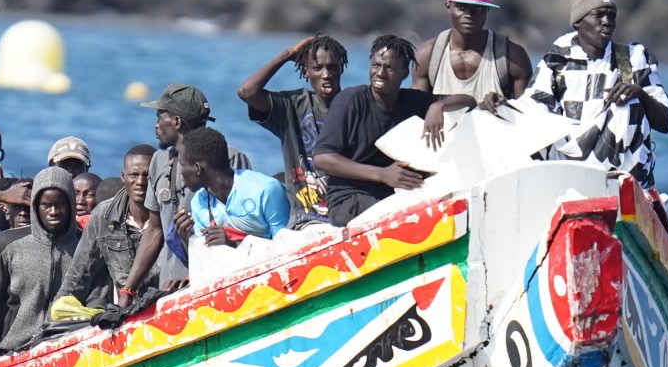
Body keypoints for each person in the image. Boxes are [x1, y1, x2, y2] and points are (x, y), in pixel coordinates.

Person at [523, 0, 668, 187]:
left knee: (630, 104)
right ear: (578, 22)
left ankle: (622, 187)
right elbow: (530, 113)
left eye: (612, 16)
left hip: (621, 179)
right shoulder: (557, 61)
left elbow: (665, 124)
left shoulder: (634, 59)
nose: (607, 22)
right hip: (566, 169)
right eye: (599, 15)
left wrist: (640, 94)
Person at [312, 35, 466, 227]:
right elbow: (322, 158)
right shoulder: (350, 101)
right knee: (409, 218)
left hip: (391, 195)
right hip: (350, 200)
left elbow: (468, 100)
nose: (380, 73)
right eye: (376, 65)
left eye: (390, 68)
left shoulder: (412, 101)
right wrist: (382, 174)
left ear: (404, 74)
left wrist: (439, 106)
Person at [124, 84, 252, 291]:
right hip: (170, 287)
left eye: (159, 117)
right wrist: (128, 290)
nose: (155, 125)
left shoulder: (229, 158)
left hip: (218, 283)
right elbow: (155, 230)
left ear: (176, 121)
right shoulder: (159, 160)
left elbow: (247, 228)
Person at [0, 167, 82, 367]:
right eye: (46, 205)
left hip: (71, 356)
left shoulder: (87, 247)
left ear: (71, 205)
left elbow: (97, 302)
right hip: (14, 356)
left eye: (60, 204)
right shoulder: (9, 244)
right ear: (35, 205)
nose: (53, 212)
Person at [237, 34, 347, 217]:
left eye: (332, 67)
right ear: (306, 72)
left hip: (347, 212)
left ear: (341, 68)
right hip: (306, 219)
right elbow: (247, 92)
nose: (326, 75)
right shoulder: (293, 106)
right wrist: (287, 55)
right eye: (317, 68)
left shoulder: (355, 105)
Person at [411, 0, 533, 108]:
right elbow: (416, 113)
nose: (469, 15)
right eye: (461, 7)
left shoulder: (513, 57)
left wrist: (505, 105)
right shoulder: (427, 55)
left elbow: (527, 113)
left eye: (478, 8)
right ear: (448, 6)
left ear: (487, 10)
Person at [181, 127, 292, 245]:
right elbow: (205, 259)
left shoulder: (266, 190)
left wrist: (234, 244)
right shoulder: (199, 202)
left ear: (198, 168)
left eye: (183, 165)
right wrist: (185, 237)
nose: (181, 172)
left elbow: (287, 247)